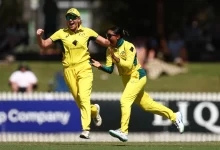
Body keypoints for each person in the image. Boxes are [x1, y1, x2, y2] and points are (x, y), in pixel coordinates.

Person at [91, 26, 184, 142]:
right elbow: (110, 69)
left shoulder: (128, 46)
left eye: (109, 36)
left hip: (137, 76)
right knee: (148, 105)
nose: (107, 38)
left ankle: (123, 131)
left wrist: (117, 58)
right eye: (106, 35)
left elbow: (129, 65)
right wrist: (100, 66)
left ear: (118, 36)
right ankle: (175, 116)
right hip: (126, 80)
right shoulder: (109, 49)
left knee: (125, 100)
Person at [36, 8, 110, 139]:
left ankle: (86, 129)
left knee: (84, 97)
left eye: (73, 17)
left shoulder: (87, 32)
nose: (70, 20)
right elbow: (44, 45)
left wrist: (118, 41)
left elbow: (105, 42)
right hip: (69, 71)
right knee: (80, 102)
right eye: (68, 17)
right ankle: (94, 110)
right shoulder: (61, 33)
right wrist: (38, 37)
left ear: (79, 19)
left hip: (85, 68)